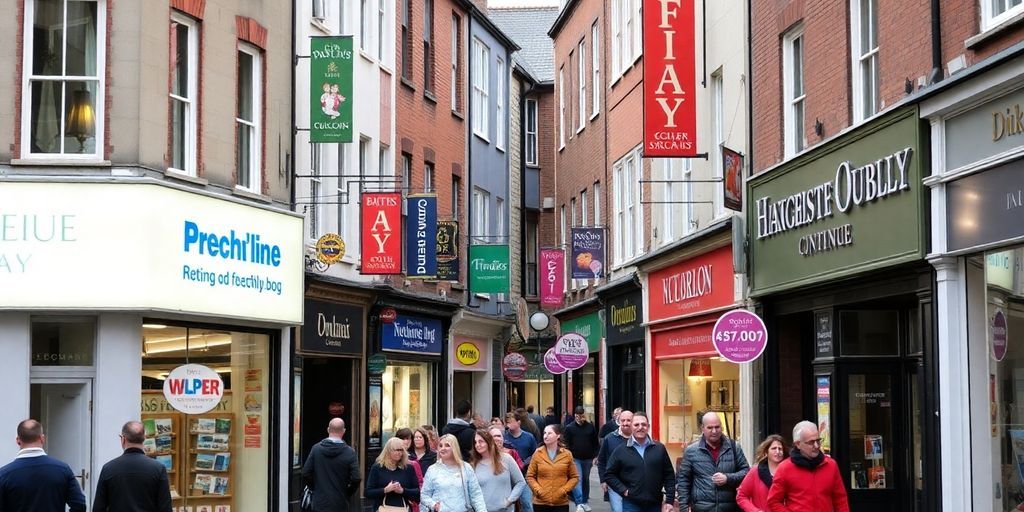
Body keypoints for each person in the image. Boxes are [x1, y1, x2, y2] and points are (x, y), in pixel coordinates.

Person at [0, 419, 86, 512]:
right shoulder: (62, 469)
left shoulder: (4, 474)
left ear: (18, 440)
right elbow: (79, 505)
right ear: (42, 438)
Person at [766, 421, 849, 512]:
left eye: (818, 440)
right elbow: (773, 501)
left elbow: (840, 500)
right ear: (798, 444)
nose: (816, 446)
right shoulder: (785, 468)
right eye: (811, 442)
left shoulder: (831, 465)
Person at [675, 412, 750, 512]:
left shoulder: (734, 447)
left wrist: (728, 478)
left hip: (729, 508)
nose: (714, 431)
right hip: (701, 508)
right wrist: (684, 508)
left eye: (717, 427)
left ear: (722, 427)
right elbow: (683, 481)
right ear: (703, 428)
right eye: (710, 428)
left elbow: (746, 472)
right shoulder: (691, 451)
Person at [92, 421, 172, 511]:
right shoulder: (158, 469)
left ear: (123, 439)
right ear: (144, 438)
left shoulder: (108, 468)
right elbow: (166, 508)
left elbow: (98, 508)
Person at [604, 412, 675, 512]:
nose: (640, 427)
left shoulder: (659, 449)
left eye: (644, 424)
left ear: (648, 427)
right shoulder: (621, 450)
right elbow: (609, 474)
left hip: (655, 503)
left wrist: (669, 500)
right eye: (636, 425)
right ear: (631, 427)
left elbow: (669, 475)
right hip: (631, 504)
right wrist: (623, 490)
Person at [302, 418, 361, 512]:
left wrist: (315, 487)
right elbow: (356, 478)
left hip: (320, 502)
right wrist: (347, 492)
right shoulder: (350, 453)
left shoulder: (316, 449)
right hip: (340, 502)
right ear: (344, 431)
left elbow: (306, 473)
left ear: (328, 429)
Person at [420, 434, 489, 512]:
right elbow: (424, 495)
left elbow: (476, 494)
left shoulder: (466, 468)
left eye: (447, 445)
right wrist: (434, 505)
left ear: (454, 448)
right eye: (440, 446)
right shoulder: (432, 469)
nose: (443, 448)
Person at [526, 424, 579, 512]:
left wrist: (563, 490)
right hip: (541, 502)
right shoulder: (538, 453)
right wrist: (539, 490)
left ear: (558, 436)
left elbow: (574, 477)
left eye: (549, 433)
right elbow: (530, 476)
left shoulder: (566, 454)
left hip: (560, 502)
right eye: (544, 433)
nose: (546, 436)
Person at [471, 429, 526, 512]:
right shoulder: (473, 465)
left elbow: (521, 482)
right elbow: (472, 492)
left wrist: (509, 501)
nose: (477, 445)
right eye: (475, 442)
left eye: (481, 441)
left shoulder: (506, 459)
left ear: (489, 442)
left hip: (505, 510)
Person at [365, 437, 420, 512]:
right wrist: (385, 490)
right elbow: (368, 493)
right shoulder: (377, 467)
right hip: (382, 508)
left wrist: (402, 491)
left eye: (401, 450)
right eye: (396, 450)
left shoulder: (408, 468)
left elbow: (417, 493)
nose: (399, 453)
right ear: (388, 451)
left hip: (403, 509)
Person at [737, 435, 787, 512]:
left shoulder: (789, 472)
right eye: (774, 448)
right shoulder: (755, 471)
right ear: (766, 452)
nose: (778, 451)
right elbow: (741, 496)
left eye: (780, 449)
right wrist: (755, 510)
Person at [563, 406, 600, 512]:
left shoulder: (590, 427)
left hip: (588, 458)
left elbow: (595, 443)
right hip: (575, 458)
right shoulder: (569, 428)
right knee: (578, 479)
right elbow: (566, 443)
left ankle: (584, 501)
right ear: (575, 415)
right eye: (577, 415)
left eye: (581, 415)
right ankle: (579, 502)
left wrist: (596, 456)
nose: (579, 417)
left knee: (585, 480)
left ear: (584, 414)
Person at [597, 410, 634, 512]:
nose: (625, 423)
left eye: (628, 420)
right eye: (623, 420)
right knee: (618, 510)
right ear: (619, 421)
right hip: (614, 483)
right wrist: (603, 480)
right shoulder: (610, 438)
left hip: (634, 484)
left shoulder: (639, 439)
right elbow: (602, 460)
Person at [489, 426, 532, 512]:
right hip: (491, 501)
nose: (497, 439)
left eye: (499, 436)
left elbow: (520, 472)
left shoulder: (510, 453)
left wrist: (509, 500)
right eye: (494, 436)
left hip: (513, 487)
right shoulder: (483, 457)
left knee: (527, 504)